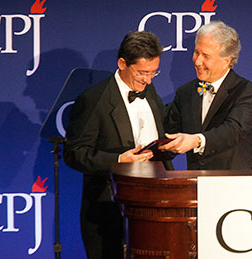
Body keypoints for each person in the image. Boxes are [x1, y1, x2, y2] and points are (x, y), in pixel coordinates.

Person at [63, 31, 173, 259]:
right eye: (142, 73)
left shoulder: (149, 90)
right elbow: (74, 153)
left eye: (154, 73)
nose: (149, 80)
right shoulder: (93, 99)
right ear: (122, 63)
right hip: (109, 210)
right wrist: (120, 160)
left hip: (156, 207)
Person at [162, 20, 252, 170]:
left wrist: (197, 140)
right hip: (196, 185)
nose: (198, 61)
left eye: (206, 56)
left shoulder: (247, 92)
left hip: (236, 184)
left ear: (226, 61)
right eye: (196, 52)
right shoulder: (186, 92)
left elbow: (233, 130)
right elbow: (169, 131)